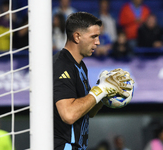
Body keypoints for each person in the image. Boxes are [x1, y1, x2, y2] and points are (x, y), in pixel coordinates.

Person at [53, 12, 134, 150]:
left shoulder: (80, 66)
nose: (98, 42)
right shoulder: (61, 65)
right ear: (77, 36)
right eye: (94, 37)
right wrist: (100, 90)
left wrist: (104, 93)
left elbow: (88, 111)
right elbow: (69, 114)